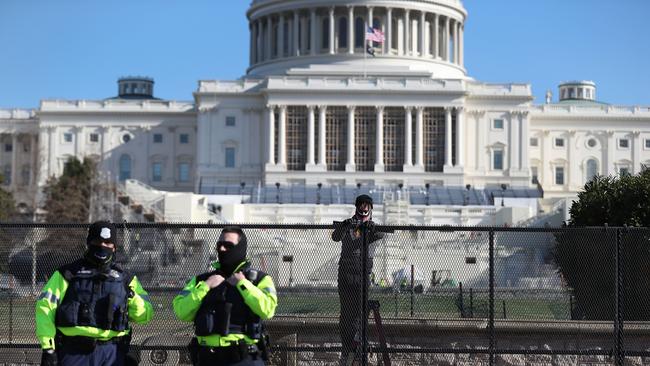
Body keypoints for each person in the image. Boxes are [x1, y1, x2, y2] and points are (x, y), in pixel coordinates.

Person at [35, 220, 154, 366]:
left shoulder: (126, 279)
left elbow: (144, 316)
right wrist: (48, 349)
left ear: (114, 247)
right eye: (98, 241)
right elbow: (45, 307)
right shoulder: (67, 274)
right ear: (89, 243)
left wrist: (131, 296)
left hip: (112, 353)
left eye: (108, 243)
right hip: (73, 352)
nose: (102, 246)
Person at [173, 226, 277, 366]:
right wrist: (205, 287)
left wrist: (243, 285)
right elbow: (181, 312)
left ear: (240, 248)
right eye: (219, 245)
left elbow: (268, 310)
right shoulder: (201, 281)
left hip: (243, 359)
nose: (222, 249)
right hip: (207, 358)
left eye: (228, 245)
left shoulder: (259, 279)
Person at [332, 194, 385, 365]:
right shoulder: (349, 224)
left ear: (370, 208)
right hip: (345, 274)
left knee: (359, 315)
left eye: (366, 205)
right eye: (361, 205)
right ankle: (346, 349)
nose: (364, 208)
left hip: (362, 275)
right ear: (356, 207)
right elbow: (335, 236)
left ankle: (358, 350)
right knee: (345, 314)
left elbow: (381, 235)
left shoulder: (372, 227)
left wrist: (371, 228)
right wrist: (345, 225)